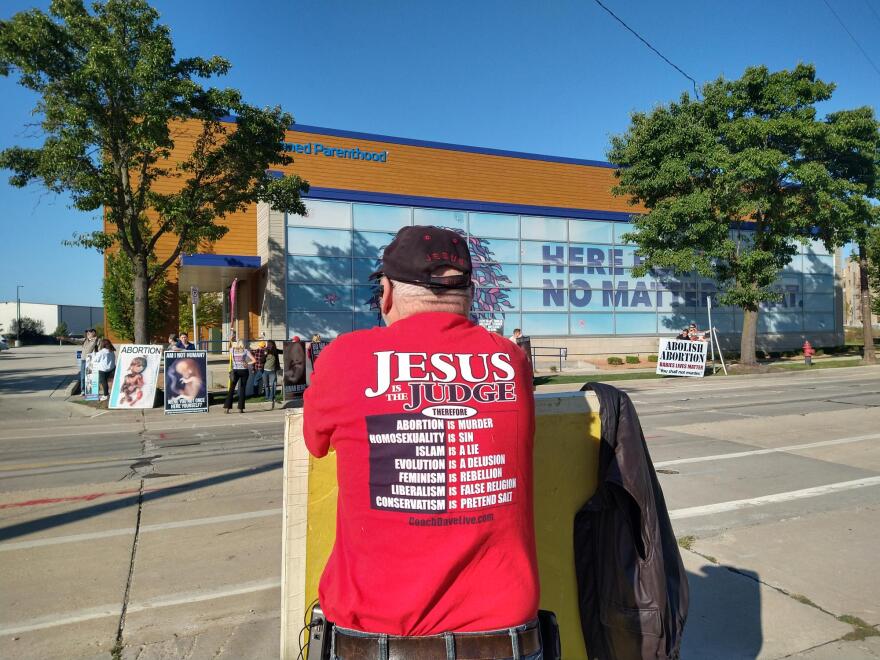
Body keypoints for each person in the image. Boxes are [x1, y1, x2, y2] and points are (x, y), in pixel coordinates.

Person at [304, 226, 543, 659]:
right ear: (468, 293)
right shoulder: (511, 359)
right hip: (504, 635)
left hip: (376, 635)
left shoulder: (344, 356)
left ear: (387, 292)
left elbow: (316, 443)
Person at [224, 340, 255, 414]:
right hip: (244, 371)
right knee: (242, 389)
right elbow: (254, 360)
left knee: (231, 389)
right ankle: (240, 408)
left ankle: (227, 408)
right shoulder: (246, 351)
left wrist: (231, 340)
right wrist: (247, 363)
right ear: (244, 344)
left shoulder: (233, 350)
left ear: (237, 344)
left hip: (235, 371)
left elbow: (229, 347)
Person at [262, 340, 281, 409]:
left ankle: (271, 397)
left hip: (272, 371)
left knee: (273, 385)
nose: (268, 345)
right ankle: (267, 397)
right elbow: (262, 360)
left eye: (269, 344)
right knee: (266, 385)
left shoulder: (275, 351)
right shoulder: (265, 350)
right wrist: (265, 354)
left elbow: (282, 351)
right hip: (265, 371)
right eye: (268, 344)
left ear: (272, 345)